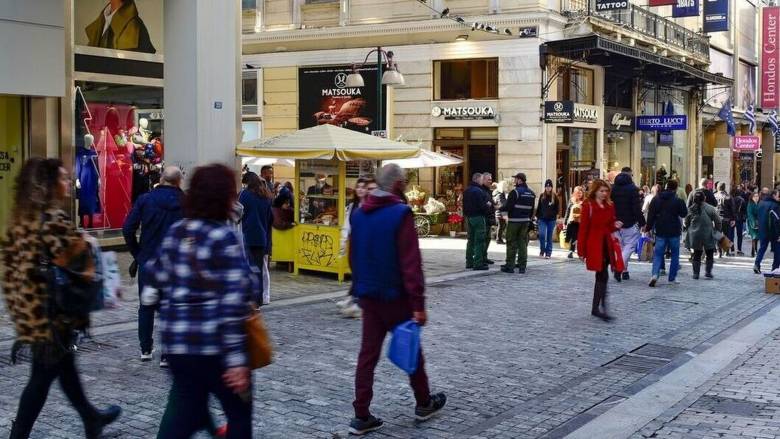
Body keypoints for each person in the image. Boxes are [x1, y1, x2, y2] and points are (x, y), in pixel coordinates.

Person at [3, 158, 121, 439]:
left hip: (32, 312)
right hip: (54, 315)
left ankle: (91, 418)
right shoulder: (53, 219)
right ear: (49, 185)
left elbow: (10, 271)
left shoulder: (19, 221)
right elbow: (78, 263)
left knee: (64, 369)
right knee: (40, 381)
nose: (69, 183)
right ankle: (18, 435)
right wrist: (88, 243)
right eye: (64, 179)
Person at [145, 164, 255, 439]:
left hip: (179, 346)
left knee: (184, 412)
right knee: (239, 414)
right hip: (214, 346)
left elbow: (155, 276)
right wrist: (237, 360)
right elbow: (233, 305)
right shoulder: (224, 238)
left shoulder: (177, 232)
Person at [348, 164, 446, 435]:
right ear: (398, 185)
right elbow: (410, 263)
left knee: (367, 356)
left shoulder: (359, 213)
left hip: (369, 295)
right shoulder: (400, 213)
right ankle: (424, 401)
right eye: (403, 182)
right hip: (395, 296)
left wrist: (360, 287)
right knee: (411, 349)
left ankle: (361, 413)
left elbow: (353, 256)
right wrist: (418, 304)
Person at [122, 166, 184, 365]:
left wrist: (137, 253)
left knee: (146, 306)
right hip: (175, 262)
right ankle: (167, 353)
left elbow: (127, 228)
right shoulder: (186, 202)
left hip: (148, 260)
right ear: (179, 182)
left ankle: (146, 349)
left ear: (161, 179)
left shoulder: (145, 199)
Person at [577, 180, 622, 322]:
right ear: (595, 190)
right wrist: (581, 250)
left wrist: (616, 225)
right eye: (601, 191)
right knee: (602, 275)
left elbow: (610, 225)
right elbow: (583, 229)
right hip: (595, 245)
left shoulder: (609, 205)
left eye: (606, 191)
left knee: (603, 276)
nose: (604, 193)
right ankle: (600, 308)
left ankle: (598, 307)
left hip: (607, 244)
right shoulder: (588, 205)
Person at [337, 177, 375, 318]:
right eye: (358, 187)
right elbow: (347, 224)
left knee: (362, 272)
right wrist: (343, 241)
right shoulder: (353, 206)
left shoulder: (370, 205)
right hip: (354, 242)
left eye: (363, 187)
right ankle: (353, 297)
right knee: (356, 270)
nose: (360, 189)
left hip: (366, 242)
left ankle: (357, 300)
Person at [240, 173, 274, 306]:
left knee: (247, 269)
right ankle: (258, 299)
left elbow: (239, 213)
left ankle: (249, 297)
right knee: (259, 269)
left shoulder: (245, 195)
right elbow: (270, 218)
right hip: (262, 237)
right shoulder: (266, 197)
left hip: (248, 235)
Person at [646, 180, 688, 287]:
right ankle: (672, 278)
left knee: (658, 254)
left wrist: (648, 227)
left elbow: (651, 214)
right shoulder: (677, 200)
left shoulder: (656, 199)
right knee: (674, 254)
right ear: (676, 188)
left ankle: (655, 274)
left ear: (665, 186)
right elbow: (684, 213)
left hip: (660, 229)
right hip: (674, 230)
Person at [611, 167, 645, 281]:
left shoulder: (613, 188)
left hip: (615, 222)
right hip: (629, 222)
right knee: (629, 247)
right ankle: (618, 267)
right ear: (630, 176)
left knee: (621, 248)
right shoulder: (632, 189)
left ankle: (624, 270)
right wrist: (642, 222)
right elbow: (636, 208)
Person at [500, 173, 536, 274]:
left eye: (515, 179)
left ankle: (510, 266)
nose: (514, 181)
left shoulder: (515, 192)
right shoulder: (531, 193)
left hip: (514, 221)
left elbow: (508, 206)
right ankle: (522, 266)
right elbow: (532, 210)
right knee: (522, 243)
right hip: (525, 222)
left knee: (511, 243)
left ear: (520, 180)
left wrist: (499, 208)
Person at [684, 190, 721, 280]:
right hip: (708, 233)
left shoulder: (691, 209)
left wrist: (691, 229)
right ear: (705, 198)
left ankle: (696, 273)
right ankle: (708, 272)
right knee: (709, 253)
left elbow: (686, 222)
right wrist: (717, 231)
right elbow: (718, 221)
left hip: (695, 234)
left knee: (696, 254)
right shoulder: (710, 208)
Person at [463, 173, 490, 270]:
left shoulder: (466, 190)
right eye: (482, 179)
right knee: (479, 240)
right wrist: (488, 205)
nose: (482, 181)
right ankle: (478, 263)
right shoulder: (478, 191)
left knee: (470, 240)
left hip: (469, 217)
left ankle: (469, 262)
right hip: (478, 217)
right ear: (478, 179)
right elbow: (482, 206)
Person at [754, 189, 780, 274]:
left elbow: (757, 216)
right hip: (773, 231)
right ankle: (775, 268)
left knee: (762, 248)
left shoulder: (761, 203)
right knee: (777, 250)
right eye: (778, 195)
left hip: (762, 230)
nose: (779, 197)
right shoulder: (775, 205)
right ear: (773, 196)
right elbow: (777, 221)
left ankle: (757, 264)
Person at [535, 179, 559, 259]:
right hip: (542, 219)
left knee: (549, 236)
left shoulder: (555, 197)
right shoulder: (542, 196)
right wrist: (537, 216)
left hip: (551, 220)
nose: (548, 188)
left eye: (549, 186)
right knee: (542, 235)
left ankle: (548, 253)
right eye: (547, 186)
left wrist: (554, 216)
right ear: (545, 187)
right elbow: (539, 207)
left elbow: (557, 209)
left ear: (552, 187)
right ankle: (542, 250)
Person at [714, 183, 736, 257]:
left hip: (717, 219)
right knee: (726, 235)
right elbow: (733, 209)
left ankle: (719, 252)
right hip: (726, 219)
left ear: (717, 188)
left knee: (717, 235)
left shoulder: (714, 196)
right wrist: (733, 219)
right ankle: (726, 251)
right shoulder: (728, 196)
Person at [564, 186, 584, 259]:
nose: (579, 194)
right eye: (577, 193)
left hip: (580, 222)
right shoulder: (571, 201)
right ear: (574, 193)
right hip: (571, 221)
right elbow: (568, 211)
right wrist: (565, 222)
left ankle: (574, 251)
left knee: (576, 237)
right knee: (571, 236)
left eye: (580, 193)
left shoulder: (584, 202)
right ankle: (571, 250)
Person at [481, 173, 497, 264]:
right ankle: (481, 257)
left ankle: (484, 256)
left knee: (488, 238)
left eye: (491, 179)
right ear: (483, 180)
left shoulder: (488, 190)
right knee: (483, 239)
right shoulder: (481, 190)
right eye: (488, 179)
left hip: (489, 218)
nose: (490, 181)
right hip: (484, 217)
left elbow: (491, 202)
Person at [731, 188, 747, 256]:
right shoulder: (742, 200)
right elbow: (744, 211)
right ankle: (739, 249)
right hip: (739, 218)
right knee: (739, 235)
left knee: (731, 234)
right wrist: (744, 219)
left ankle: (731, 249)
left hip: (731, 218)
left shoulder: (730, 199)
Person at [747, 191, 761, 257]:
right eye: (755, 196)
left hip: (759, 222)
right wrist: (753, 223)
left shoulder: (759, 203)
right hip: (752, 222)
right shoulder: (750, 204)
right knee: (754, 237)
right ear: (752, 197)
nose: (756, 197)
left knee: (757, 237)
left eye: (757, 196)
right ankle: (753, 251)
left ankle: (755, 249)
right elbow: (750, 214)